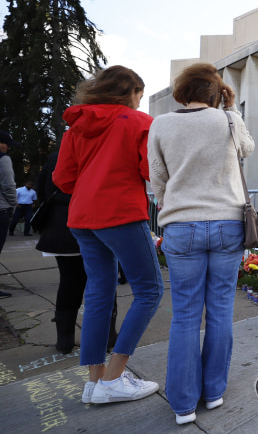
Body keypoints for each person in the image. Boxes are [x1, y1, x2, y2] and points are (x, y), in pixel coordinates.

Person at [148, 63, 254, 425]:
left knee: (186, 315)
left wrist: (171, 204)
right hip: (227, 223)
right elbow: (247, 148)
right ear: (217, 92)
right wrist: (232, 108)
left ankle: (182, 404)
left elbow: (157, 178)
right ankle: (213, 392)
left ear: (182, 90)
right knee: (221, 309)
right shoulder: (226, 120)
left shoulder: (160, 124)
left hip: (181, 224)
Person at [53, 65, 164, 405]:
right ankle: (115, 378)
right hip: (119, 213)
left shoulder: (77, 127)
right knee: (150, 290)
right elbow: (151, 171)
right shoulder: (137, 123)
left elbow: (62, 179)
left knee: (99, 292)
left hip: (82, 217)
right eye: (139, 96)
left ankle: (95, 380)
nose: (139, 103)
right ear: (130, 92)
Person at [36, 152, 119, 354]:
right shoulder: (96, 150)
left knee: (69, 282)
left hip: (59, 227)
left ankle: (64, 340)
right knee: (103, 281)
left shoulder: (56, 156)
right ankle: (108, 335)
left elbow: (42, 189)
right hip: (92, 222)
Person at [0, 130, 20, 299]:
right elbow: (8, 184)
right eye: (7, 145)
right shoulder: (3, 159)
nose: (8, 149)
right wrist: (13, 203)